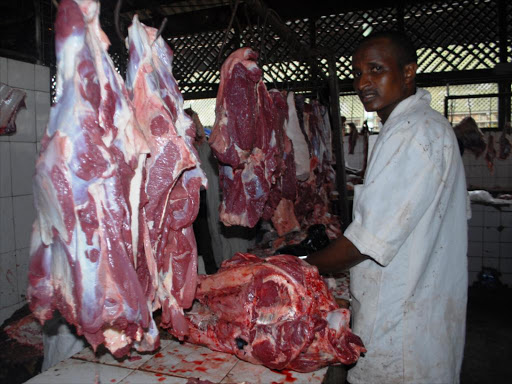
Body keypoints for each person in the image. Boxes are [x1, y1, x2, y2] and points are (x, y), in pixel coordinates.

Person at [307, 31, 468, 384]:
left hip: (404, 330)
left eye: (376, 69)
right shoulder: (418, 127)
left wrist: (297, 267)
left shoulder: (412, 133)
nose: (363, 81)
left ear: (408, 71)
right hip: (418, 315)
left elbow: (365, 242)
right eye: (358, 72)